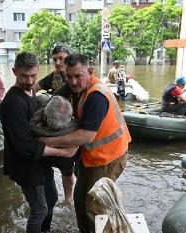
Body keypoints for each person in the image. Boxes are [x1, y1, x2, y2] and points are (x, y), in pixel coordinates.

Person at [40, 54, 131, 233]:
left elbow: (86, 136)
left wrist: (46, 141)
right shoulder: (73, 86)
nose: (73, 82)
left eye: (77, 76)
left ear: (90, 72)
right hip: (91, 157)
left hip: (109, 158)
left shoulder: (96, 96)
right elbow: (52, 101)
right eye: (69, 76)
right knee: (80, 200)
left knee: (96, 207)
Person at [1, 52, 78, 233]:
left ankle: (45, 230)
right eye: (24, 76)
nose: (29, 81)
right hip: (24, 164)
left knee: (51, 199)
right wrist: (62, 152)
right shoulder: (13, 102)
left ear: (38, 71)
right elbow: (24, 146)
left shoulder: (31, 93)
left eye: (33, 76)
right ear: (14, 71)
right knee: (40, 209)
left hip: (40, 160)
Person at [33, 44, 75, 205]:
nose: (58, 62)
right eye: (55, 59)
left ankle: (69, 198)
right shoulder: (53, 77)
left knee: (68, 167)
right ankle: (52, 197)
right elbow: (33, 89)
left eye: (62, 59)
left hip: (72, 127)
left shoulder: (76, 76)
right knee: (49, 160)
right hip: (55, 127)